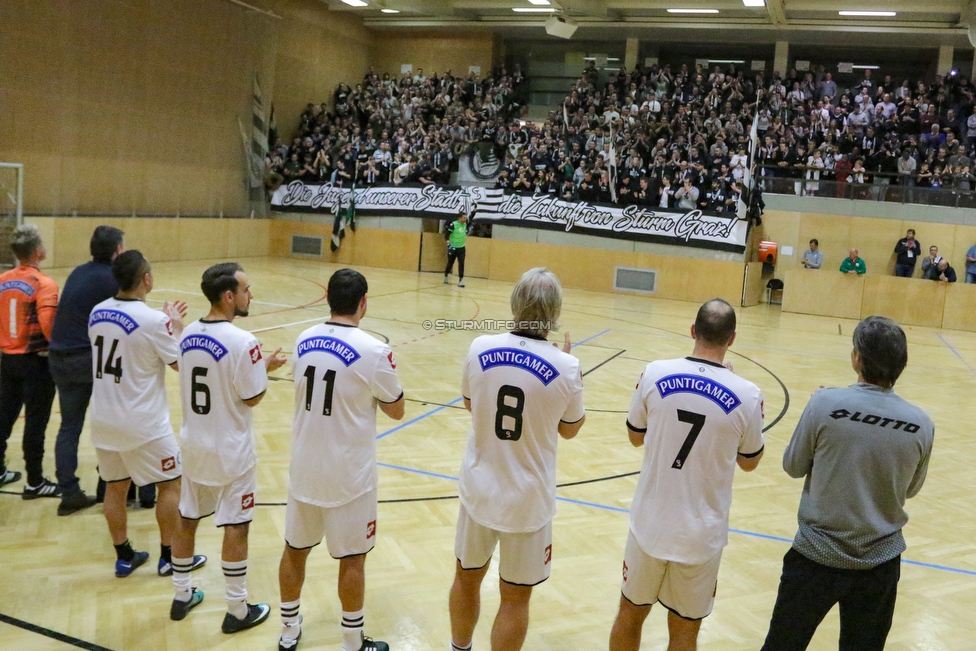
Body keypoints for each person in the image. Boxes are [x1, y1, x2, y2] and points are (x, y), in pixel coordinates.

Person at [761, 316, 934, 651]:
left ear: (857, 358)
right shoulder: (922, 424)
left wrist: (819, 413)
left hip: (815, 556)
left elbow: (793, 466)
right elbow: (910, 489)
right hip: (880, 566)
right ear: (902, 364)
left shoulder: (824, 403)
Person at [608, 299, 764, 651]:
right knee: (684, 633)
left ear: (693, 331)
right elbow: (750, 462)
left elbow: (635, 436)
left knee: (629, 615)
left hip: (650, 526)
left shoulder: (654, 372)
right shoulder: (748, 395)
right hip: (701, 537)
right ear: (732, 339)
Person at [449, 268, 585, 651]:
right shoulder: (566, 366)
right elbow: (570, 429)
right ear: (555, 312)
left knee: (465, 578)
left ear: (514, 304)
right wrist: (568, 376)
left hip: (479, 490)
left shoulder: (479, 347)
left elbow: (470, 404)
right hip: (528, 501)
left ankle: (458, 648)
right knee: (515, 597)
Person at [277, 268, 405, 651]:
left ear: (327, 298)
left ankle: (287, 633)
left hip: (304, 467)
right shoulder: (375, 350)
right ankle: (352, 642)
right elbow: (396, 410)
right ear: (363, 303)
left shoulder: (303, 340)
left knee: (294, 551)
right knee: (352, 559)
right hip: (348, 476)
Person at [169, 263, 287, 632]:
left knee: (187, 518)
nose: (252, 295)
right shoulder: (243, 341)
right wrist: (263, 368)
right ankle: (237, 610)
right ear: (228, 296)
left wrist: (257, 366)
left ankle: (181, 593)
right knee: (236, 526)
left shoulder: (187, 335)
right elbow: (251, 397)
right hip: (230, 451)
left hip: (193, 444)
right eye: (247, 289)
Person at [88, 250, 207, 578]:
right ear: (147, 279)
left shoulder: (97, 312)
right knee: (171, 484)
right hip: (142, 423)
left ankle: (123, 555)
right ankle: (169, 556)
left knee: (115, 487)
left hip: (102, 418)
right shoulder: (154, 320)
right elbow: (181, 365)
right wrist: (177, 328)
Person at [49, 225, 124, 515]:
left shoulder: (79, 271)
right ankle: (111, 486)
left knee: (69, 427)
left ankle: (69, 492)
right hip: (86, 359)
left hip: (58, 355)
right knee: (111, 422)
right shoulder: (111, 279)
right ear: (117, 250)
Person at [0, 224, 59, 498]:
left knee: (3, 418)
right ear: (38, 252)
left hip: (6, 360)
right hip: (35, 363)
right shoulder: (44, 284)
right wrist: (59, 347)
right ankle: (35, 481)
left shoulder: (1, 281)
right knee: (35, 423)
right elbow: (48, 324)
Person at [444, 212, 470, 288]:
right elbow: (446, 235)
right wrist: (448, 244)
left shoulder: (465, 223)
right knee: (450, 263)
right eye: (464, 218)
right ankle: (446, 274)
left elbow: (472, 216)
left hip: (461, 248)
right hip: (453, 247)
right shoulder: (453, 225)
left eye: (466, 217)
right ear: (459, 218)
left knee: (461, 263)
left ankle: (460, 280)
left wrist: (475, 209)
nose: (465, 219)